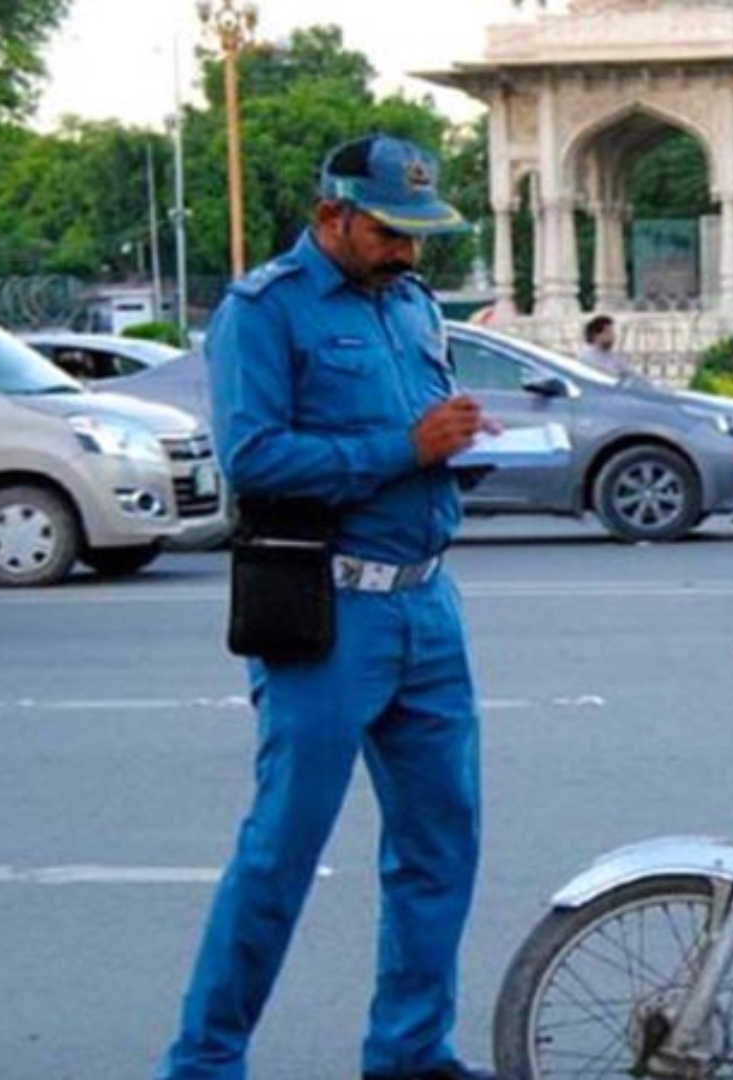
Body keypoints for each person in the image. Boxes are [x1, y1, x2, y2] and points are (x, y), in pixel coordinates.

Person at [157, 134, 499, 1080]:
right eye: (391, 233)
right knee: (281, 855)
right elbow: (254, 458)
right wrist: (405, 446)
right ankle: (203, 1062)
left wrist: (451, 442)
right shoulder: (264, 311)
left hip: (429, 606)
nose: (408, 252)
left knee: (440, 848)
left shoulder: (412, 303)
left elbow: (421, 430)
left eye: (420, 235)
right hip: (329, 615)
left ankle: (410, 1055)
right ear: (331, 218)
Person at [577, 313, 636, 380]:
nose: (613, 336)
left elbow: (630, 372)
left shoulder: (611, 354)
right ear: (595, 335)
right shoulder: (586, 358)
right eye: (608, 332)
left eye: (613, 332)